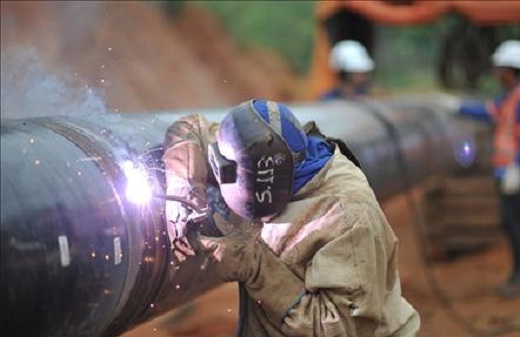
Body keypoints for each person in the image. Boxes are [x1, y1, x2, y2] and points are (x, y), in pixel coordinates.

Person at [163, 99, 420, 336]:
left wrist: (255, 266)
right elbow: (190, 128)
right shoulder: (247, 148)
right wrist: (185, 191)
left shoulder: (346, 218)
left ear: (270, 183)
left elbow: (340, 328)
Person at [457, 40, 520, 298]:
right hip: (507, 173)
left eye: (500, 68)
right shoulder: (510, 98)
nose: (496, 72)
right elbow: (488, 113)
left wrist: (517, 168)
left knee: (516, 224)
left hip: (515, 174)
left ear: (511, 70)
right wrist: (457, 107)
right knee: (511, 223)